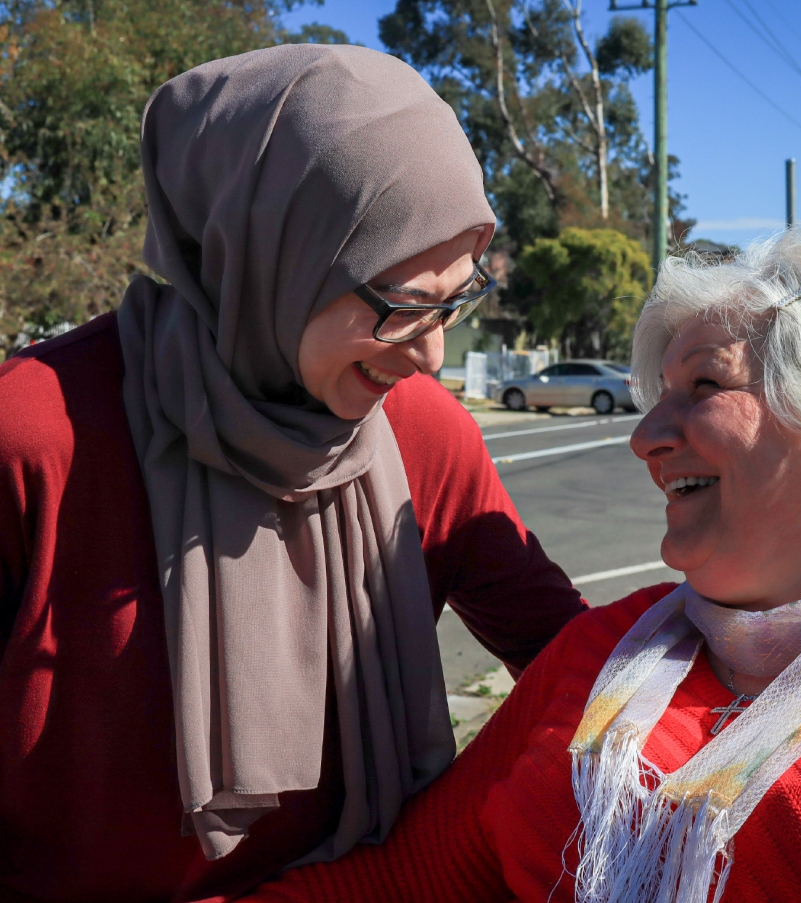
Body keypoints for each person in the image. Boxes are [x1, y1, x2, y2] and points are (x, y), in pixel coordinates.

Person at [242, 228, 801, 903]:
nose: (646, 435)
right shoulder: (605, 653)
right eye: (658, 396)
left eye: (705, 386)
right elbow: (403, 882)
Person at [0, 45, 586, 902]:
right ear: (273, 256)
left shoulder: (426, 435)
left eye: (456, 299)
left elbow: (581, 670)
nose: (432, 353)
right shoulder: (37, 436)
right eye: (400, 306)